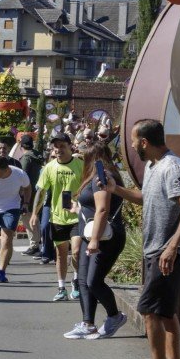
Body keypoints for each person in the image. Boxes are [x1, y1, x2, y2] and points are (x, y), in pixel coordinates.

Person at [103, 120, 180, 359]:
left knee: (147, 310)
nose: (132, 146)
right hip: (155, 250)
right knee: (166, 312)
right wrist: (115, 189)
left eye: (134, 141)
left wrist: (171, 248)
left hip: (166, 252)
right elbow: (147, 197)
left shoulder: (172, 166)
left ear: (144, 142)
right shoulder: (153, 166)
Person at [63, 142, 128, 340]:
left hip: (103, 237)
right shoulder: (94, 176)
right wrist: (76, 209)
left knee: (93, 281)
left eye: (84, 157)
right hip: (89, 234)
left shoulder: (102, 176)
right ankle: (87, 323)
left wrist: (94, 240)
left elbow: (102, 209)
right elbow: (93, 207)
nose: (81, 160)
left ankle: (114, 316)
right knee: (83, 279)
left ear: (93, 157)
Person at [30, 132, 84, 301]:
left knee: (76, 251)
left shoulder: (80, 165)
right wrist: (34, 214)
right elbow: (41, 191)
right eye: (56, 146)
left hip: (76, 216)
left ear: (70, 147)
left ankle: (75, 280)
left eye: (62, 146)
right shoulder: (49, 168)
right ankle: (61, 288)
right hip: (58, 217)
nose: (59, 149)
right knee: (60, 254)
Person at [19, 135, 44, 256]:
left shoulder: (26, 158)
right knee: (34, 218)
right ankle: (37, 243)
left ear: (21, 145)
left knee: (28, 218)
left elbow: (22, 176)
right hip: (38, 190)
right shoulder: (37, 156)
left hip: (27, 193)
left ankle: (34, 245)